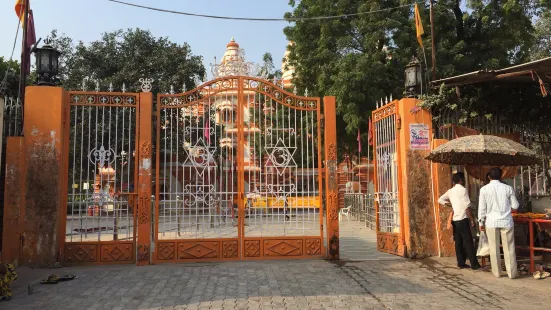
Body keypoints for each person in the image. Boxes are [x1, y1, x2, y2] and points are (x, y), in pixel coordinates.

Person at [478, 167, 519, 279]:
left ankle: (497, 273)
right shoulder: (508, 188)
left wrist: (481, 223)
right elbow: (515, 206)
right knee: (509, 248)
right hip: (506, 221)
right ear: (501, 176)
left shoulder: (484, 190)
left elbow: (482, 208)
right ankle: (512, 273)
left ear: (489, 177)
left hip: (491, 222)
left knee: (494, 248)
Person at [439, 172, 481, 270]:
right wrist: (472, 219)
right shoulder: (463, 190)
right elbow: (467, 206)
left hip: (455, 220)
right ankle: (474, 264)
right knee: (468, 241)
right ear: (461, 180)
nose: (465, 181)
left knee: (458, 242)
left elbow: (440, 200)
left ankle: (461, 262)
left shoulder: (450, 191)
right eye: (464, 179)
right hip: (463, 218)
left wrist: (451, 205)